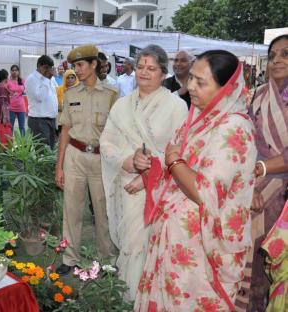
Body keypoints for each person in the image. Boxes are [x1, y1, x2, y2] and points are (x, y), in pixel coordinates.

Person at [134, 50, 257, 311]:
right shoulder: (199, 118)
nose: (190, 87)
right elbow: (174, 169)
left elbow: (204, 192)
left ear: (227, 88)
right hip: (178, 239)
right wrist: (151, 166)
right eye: (191, 78)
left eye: (201, 82)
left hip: (203, 249)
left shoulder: (233, 127)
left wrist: (174, 162)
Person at [100, 44, 188, 300]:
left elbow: (179, 149)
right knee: (130, 243)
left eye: (152, 68)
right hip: (125, 183)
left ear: (163, 73)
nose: (144, 72)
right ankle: (127, 296)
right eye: (140, 67)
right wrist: (126, 161)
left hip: (159, 189)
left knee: (148, 244)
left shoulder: (176, 106)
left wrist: (147, 176)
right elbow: (107, 141)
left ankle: (143, 298)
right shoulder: (122, 105)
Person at [55, 45, 118, 275]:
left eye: (81, 65)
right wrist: (59, 166)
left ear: (94, 65)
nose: (77, 70)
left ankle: (107, 258)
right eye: (74, 66)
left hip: (101, 159)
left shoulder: (111, 95)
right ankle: (70, 257)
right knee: (71, 209)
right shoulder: (70, 94)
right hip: (74, 155)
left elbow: (117, 132)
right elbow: (65, 131)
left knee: (103, 210)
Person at [237, 34, 288, 312]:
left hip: (282, 195)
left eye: (286, 54)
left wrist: (265, 168)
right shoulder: (257, 95)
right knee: (255, 266)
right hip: (256, 190)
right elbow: (245, 142)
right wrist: (252, 184)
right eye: (274, 54)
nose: (278, 60)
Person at [25, 55, 59, 148]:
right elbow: (40, 97)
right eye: (46, 67)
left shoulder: (51, 78)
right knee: (43, 153)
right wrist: (47, 78)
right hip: (39, 120)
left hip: (51, 119)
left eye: (50, 68)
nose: (48, 70)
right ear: (39, 66)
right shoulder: (31, 79)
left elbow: (55, 93)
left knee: (51, 150)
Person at [56, 69, 78, 135]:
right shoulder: (59, 90)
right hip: (61, 121)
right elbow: (56, 105)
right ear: (65, 78)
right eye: (68, 77)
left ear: (75, 78)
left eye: (72, 77)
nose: (70, 79)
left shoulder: (79, 90)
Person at [8, 65, 26, 136]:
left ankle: (24, 145)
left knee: (22, 127)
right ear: (10, 71)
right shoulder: (8, 82)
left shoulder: (22, 81)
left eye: (16, 70)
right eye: (13, 70)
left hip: (21, 107)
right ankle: (10, 144)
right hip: (11, 107)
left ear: (18, 72)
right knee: (10, 127)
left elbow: (26, 90)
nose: (14, 72)